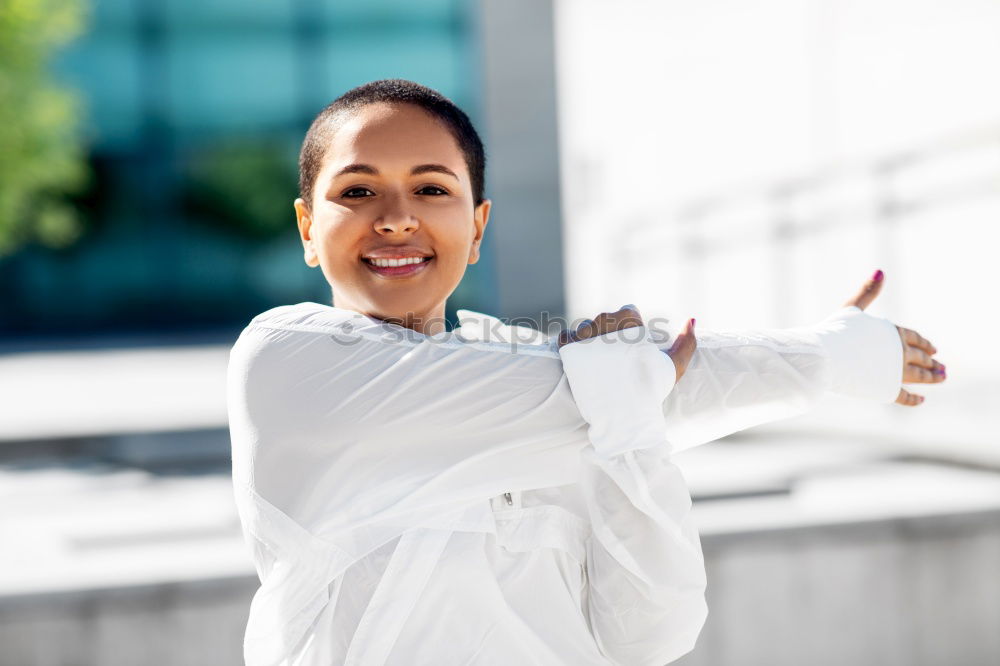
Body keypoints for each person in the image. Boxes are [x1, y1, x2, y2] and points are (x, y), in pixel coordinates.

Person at [226, 79, 946, 666]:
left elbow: (645, 637)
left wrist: (626, 417)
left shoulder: (541, 365)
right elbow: (620, 387)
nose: (394, 219)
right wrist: (824, 358)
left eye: (432, 189)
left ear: (477, 230)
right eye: (356, 192)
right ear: (305, 230)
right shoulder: (290, 361)